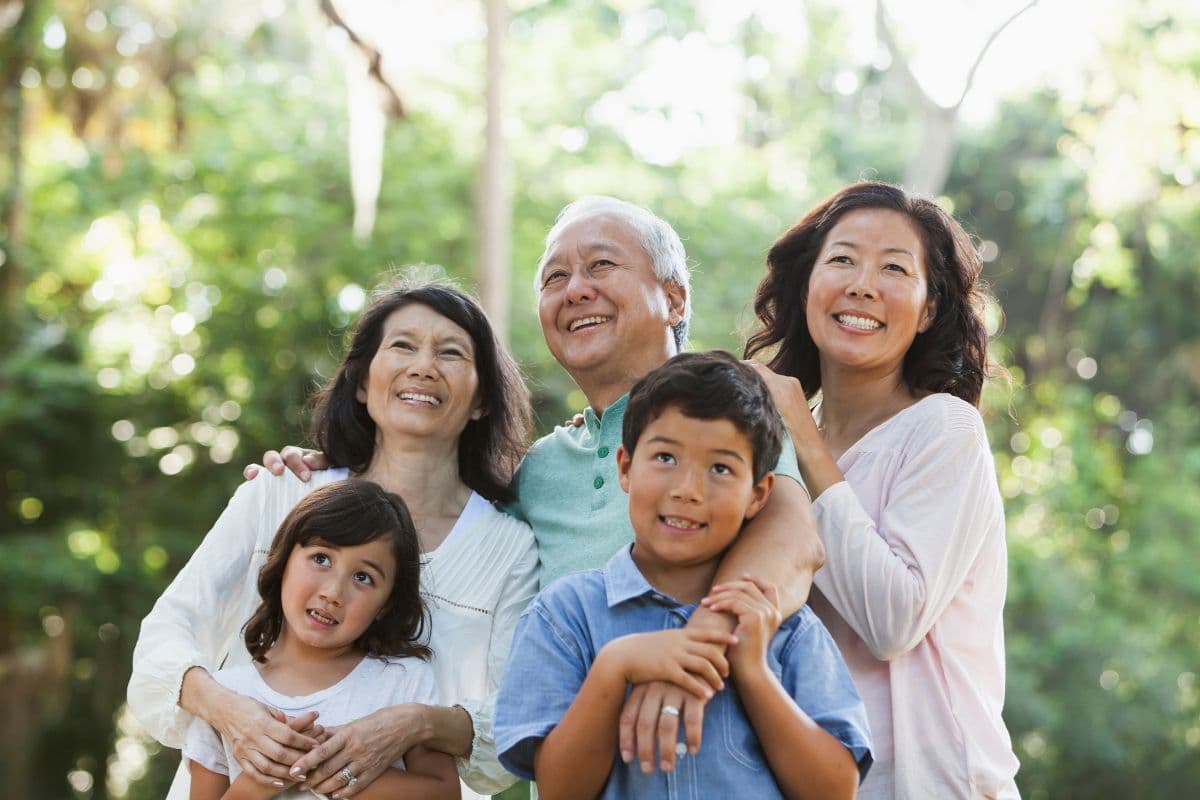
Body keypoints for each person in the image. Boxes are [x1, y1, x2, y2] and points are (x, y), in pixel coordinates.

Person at [258, 196, 825, 777]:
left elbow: (791, 543)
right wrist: (342, 469)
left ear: (674, 297)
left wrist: (692, 654)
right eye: (556, 277)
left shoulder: (734, 421)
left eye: (601, 265)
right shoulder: (540, 471)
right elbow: (427, 513)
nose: (575, 289)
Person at [129, 280, 539, 800]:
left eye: (450, 353)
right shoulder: (282, 491)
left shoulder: (508, 547)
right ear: (363, 383)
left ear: (482, 399)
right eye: (403, 346)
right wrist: (229, 711)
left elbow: (517, 718)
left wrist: (413, 724)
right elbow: (166, 631)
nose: (423, 366)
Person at [744, 181, 1020, 798]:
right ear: (808, 285)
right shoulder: (776, 449)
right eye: (841, 259)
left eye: (894, 267)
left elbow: (894, 618)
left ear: (927, 309)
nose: (862, 284)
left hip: (935, 783)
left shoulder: (943, 429)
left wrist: (800, 436)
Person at [493, 351, 872, 799]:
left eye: (720, 468)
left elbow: (835, 790)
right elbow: (559, 791)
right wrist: (614, 670)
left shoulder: (783, 628)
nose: (687, 491)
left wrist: (752, 672)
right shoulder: (565, 616)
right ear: (626, 468)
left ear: (758, 494)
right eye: (666, 458)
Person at [184, 479, 459, 800]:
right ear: (284, 559)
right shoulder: (226, 696)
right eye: (321, 559)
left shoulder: (404, 682)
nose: (333, 593)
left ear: (385, 606)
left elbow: (445, 793)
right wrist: (264, 778)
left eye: (363, 577)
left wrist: (330, 768)